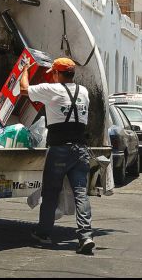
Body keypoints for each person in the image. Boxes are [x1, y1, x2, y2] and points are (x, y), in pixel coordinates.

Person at [19, 57, 95, 255]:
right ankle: (85, 236)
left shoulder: (52, 90)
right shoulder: (84, 92)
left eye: (53, 73)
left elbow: (24, 90)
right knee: (81, 193)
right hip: (81, 150)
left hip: (60, 149)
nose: (52, 76)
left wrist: (24, 70)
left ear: (58, 74)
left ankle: (43, 232)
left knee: (51, 192)